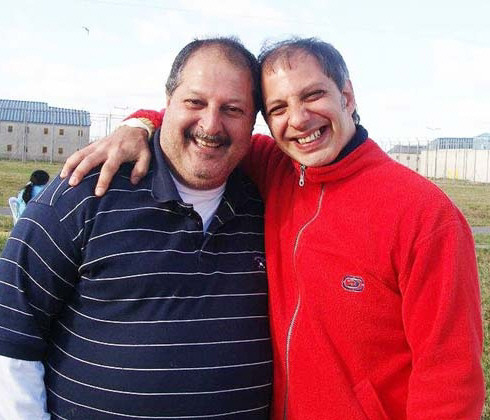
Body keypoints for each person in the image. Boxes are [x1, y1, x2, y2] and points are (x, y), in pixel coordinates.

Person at [62, 37, 485, 419]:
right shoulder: (277, 169)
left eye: (313, 95)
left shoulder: (425, 215)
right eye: (279, 108)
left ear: (347, 95)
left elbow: (450, 381)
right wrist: (139, 123)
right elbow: (205, 124)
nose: (298, 120)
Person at [0, 37, 272, 419]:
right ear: (167, 102)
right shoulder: (84, 191)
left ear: (253, 121)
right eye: (195, 102)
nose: (211, 124)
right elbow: (12, 336)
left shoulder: (269, 204)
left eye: (232, 109)